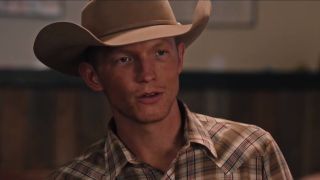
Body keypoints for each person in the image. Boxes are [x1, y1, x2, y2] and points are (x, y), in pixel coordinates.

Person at [34, 0, 292, 179]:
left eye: (160, 53)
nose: (147, 74)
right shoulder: (74, 178)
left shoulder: (251, 151)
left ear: (179, 59)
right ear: (93, 77)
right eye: (124, 59)